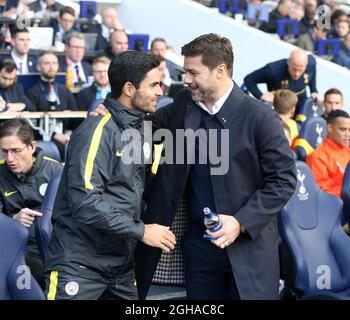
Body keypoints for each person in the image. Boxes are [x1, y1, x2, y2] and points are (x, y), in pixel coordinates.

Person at [91, 33, 296, 299]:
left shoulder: (261, 118)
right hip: (200, 252)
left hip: (250, 251)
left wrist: (240, 222)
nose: (185, 80)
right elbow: (143, 126)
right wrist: (111, 114)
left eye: (192, 72)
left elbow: (283, 181)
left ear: (220, 70)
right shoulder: (184, 105)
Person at [44, 51, 176, 300]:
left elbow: (143, 184)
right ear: (128, 88)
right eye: (154, 84)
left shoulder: (142, 128)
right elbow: (84, 202)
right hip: (79, 266)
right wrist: (142, 231)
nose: (160, 91)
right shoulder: (97, 129)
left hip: (122, 268)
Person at [0, 118, 63, 284]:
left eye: (15, 150)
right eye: (4, 152)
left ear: (32, 146)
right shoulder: (0, 174)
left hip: (55, 244)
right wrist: (12, 221)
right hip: (16, 247)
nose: (10, 159)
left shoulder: (56, 171)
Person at [243, 48, 322, 114]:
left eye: (300, 70)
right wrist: (260, 96)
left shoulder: (311, 63)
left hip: (300, 102)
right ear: (288, 62)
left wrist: (314, 91)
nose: (297, 74)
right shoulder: (273, 70)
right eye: (294, 69)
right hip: (280, 106)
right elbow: (249, 79)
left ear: (306, 64)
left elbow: (312, 78)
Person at [306, 109, 350, 198]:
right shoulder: (317, 157)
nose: (348, 134)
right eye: (343, 129)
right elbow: (323, 194)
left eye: (349, 130)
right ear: (329, 128)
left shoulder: (347, 151)